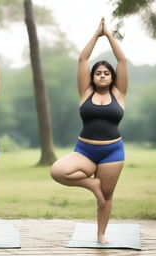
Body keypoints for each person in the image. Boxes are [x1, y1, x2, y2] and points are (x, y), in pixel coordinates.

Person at [50, 17, 128, 244]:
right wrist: (97, 34)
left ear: (112, 76)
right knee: (58, 171)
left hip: (112, 152)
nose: (102, 76)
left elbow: (122, 60)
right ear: (92, 77)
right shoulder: (85, 92)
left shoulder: (119, 94)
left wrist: (110, 36)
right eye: (98, 73)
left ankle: (101, 234)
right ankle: (91, 184)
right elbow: (82, 59)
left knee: (107, 196)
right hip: (84, 150)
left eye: (106, 73)